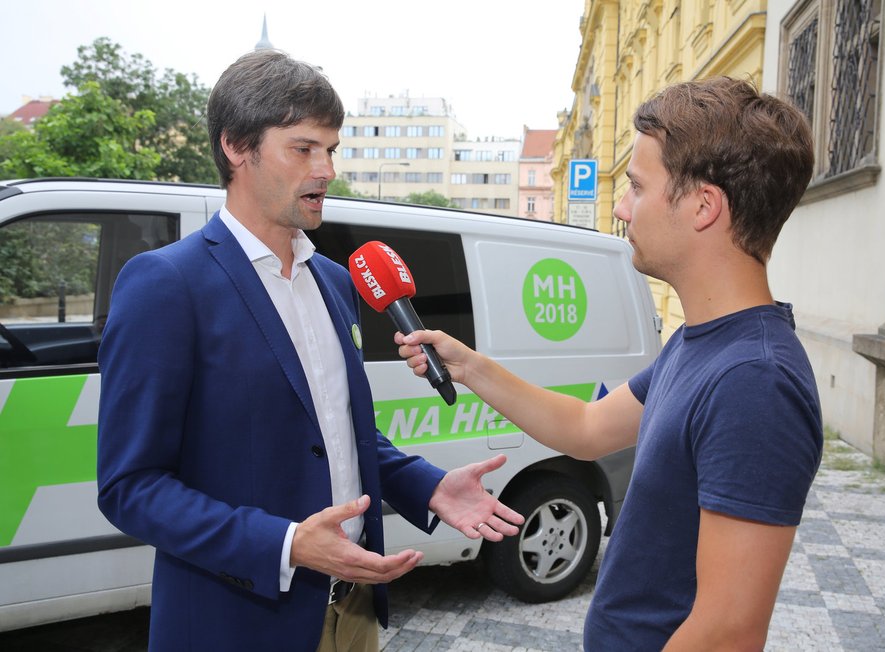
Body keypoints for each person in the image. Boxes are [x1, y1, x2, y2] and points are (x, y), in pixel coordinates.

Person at [96, 49, 522, 652]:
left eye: (333, 149)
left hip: (353, 614)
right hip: (236, 627)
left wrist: (427, 485)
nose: (325, 169)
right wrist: (287, 543)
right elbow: (130, 487)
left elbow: (338, 434)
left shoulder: (336, 281)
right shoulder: (166, 285)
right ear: (237, 149)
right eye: (303, 149)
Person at [397, 76, 823, 650]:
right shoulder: (703, 343)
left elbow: (728, 632)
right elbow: (587, 429)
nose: (621, 207)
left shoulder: (755, 381)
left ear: (704, 205)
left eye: (637, 187)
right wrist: (470, 365)